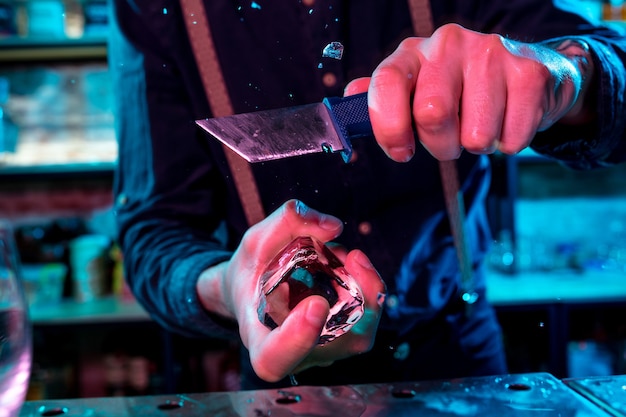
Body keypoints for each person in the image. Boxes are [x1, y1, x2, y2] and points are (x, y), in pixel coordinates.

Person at [107, 0, 626, 390]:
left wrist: (566, 76)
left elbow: (610, 63)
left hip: (458, 356)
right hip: (286, 382)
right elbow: (155, 233)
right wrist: (229, 285)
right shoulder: (155, 9)